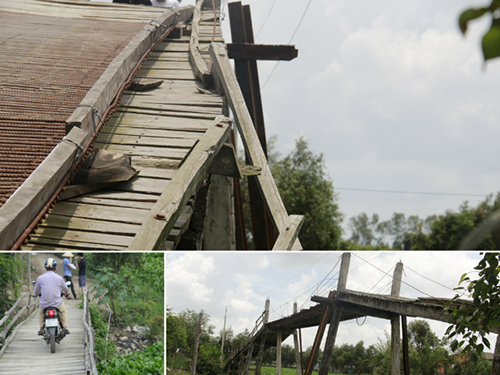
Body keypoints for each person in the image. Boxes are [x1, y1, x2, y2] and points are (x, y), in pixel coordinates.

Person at [33, 258, 69, 336]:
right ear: (55, 268)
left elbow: (36, 291)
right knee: (63, 311)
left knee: (40, 313)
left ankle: (41, 328)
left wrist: (35, 295)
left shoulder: (40, 278)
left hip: (44, 304)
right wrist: (66, 293)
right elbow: (65, 289)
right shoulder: (59, 278)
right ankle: (64, 327)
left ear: (45, 267)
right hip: (57, 304)